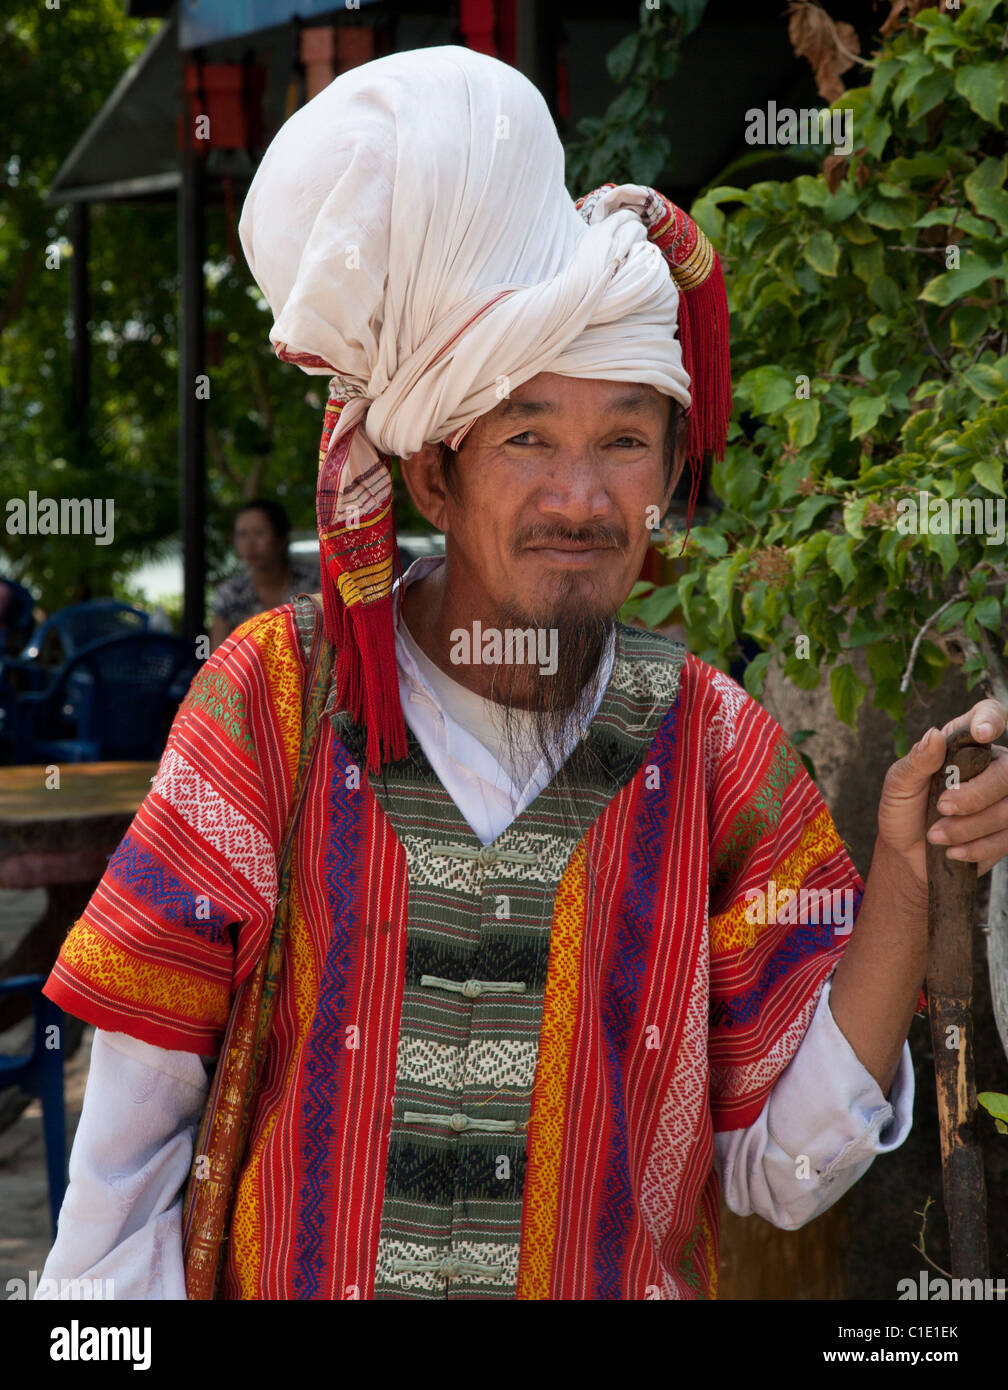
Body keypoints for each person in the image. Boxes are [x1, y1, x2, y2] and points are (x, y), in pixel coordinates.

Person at [37, 46, 1008, 1301]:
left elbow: (782, 1167)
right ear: (434, 473)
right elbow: (129, 1154)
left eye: (623, 442)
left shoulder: (710, 743)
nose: (580, 495)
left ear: (666, 478)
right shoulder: (278, 699)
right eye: (529, 436)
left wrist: (907, 872)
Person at [208, 499, 320, 651]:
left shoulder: (315, 583)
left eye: (259, 533)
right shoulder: (229, 594)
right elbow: (219, 659)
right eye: (242, 535)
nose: (250, 544)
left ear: (281, 538)